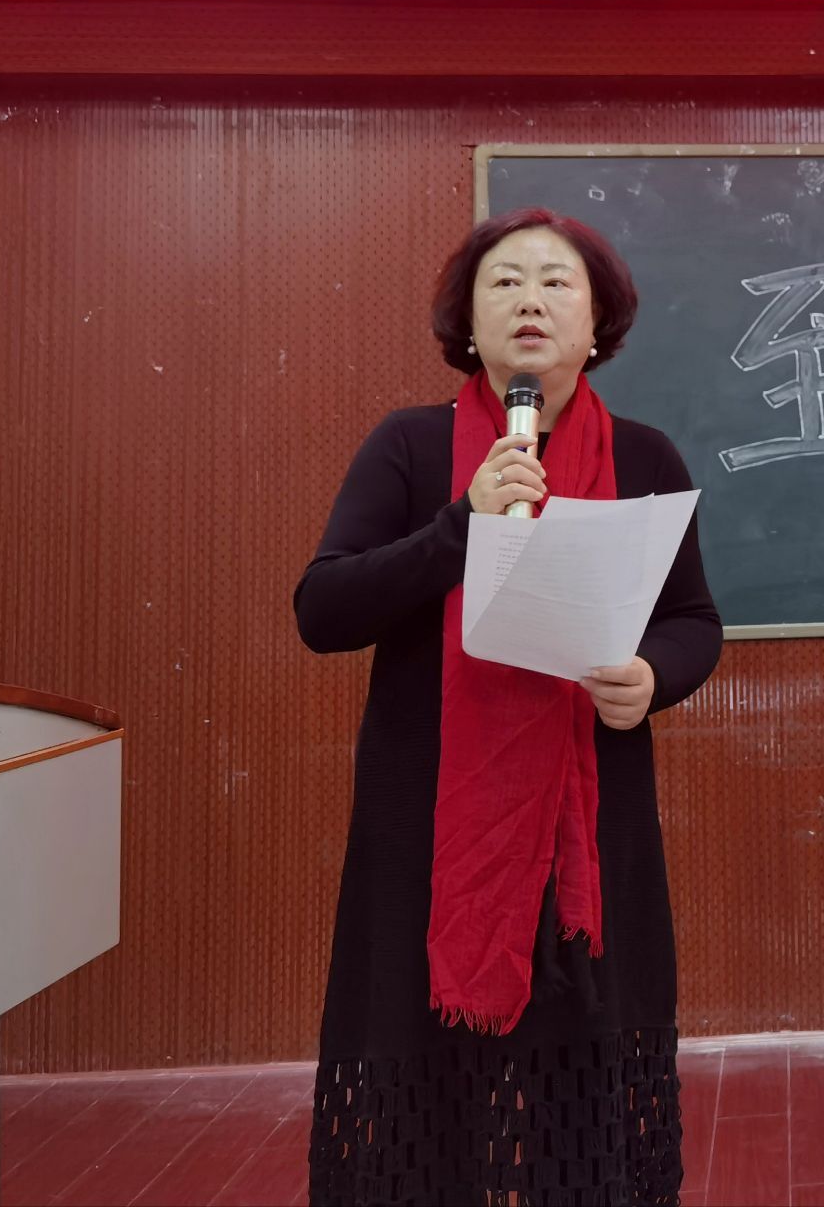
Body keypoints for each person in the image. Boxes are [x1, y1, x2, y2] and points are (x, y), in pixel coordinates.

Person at [295, 206, 721, 1206]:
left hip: (590, 834)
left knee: (586, 1094)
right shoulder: (411, 447)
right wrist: (462, 523)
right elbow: (324, 609)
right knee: (427, 1091)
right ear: (469, 322)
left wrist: (653, 677)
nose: (530, 299)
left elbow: (693, 621)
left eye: (556, 282)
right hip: (429, 830)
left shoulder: (646, 459)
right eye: (505, 282)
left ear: (597, 324)